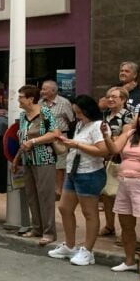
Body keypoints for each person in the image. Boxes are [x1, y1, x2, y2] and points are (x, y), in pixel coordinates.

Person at [48, 95, 108, 266]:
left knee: (89, 212)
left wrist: (76, 145)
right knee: (64, 208)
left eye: (79, 113)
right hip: (74, 170)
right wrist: (59, 141)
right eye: (76, 113)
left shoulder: (98, 126)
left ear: (88, 111)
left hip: (90, 172)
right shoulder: (81, 125)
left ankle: (88, 251)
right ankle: (70, 245)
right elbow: (68, 147)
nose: (77, 117)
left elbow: (102, 151)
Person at [11, 85, 60, 246]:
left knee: (45, 196)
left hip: (44, 158)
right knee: (31, 194)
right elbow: (22, 140)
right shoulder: (23, 115)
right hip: (28, 160)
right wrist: (17, 159)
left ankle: (49, 232)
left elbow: (54, 133)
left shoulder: (45, 112)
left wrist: (34, 141)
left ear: (31, 99)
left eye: (21, 97)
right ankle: (37, 227)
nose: (18, 100)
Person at [102, 104, 140, 272]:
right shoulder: (130, 133)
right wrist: (106, 136)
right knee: (126, 224)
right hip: (125, 184)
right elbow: (114, 149)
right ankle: (129, 261)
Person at [100, 86, 133, 240]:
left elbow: (127, 136)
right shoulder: (104, 114)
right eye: (108, 96)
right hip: (104, 160)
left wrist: (114, 141)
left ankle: (126, 232)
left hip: (120, 160)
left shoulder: (128, 116)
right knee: (107, 194)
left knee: (122, 196)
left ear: (123, 99)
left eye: (114, 97)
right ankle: (109, 225)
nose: (110, 99)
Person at [40, 80, 75, 199]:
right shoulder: (40, 103)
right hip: (44, 137)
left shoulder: (64, 102)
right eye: (42, 89)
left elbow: (72, 121)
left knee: (60, 165)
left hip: (60, 136)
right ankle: (48, 189)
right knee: (46, 162)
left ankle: (59, 191)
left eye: (45, 89)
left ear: (53, 91)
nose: (42, 91)